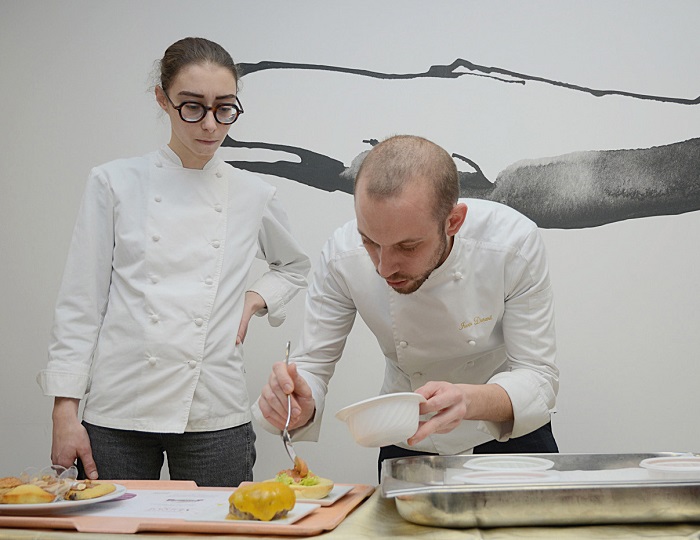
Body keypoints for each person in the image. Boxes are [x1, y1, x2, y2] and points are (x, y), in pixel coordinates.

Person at [37, 37, 310, 487]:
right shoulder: (113, 183)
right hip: (120, 406)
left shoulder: (253, 194)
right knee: (114, 531)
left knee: (219, 533)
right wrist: (64, 413)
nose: (210, 125)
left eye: (224, 108)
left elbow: (294, 267)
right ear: (162, 99)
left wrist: (255, 298)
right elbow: (80, 305)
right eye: (192, 106)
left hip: (213, 410)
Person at [253, 134, 558, 478]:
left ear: (453, 221)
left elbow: (538, 377)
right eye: (370, 242)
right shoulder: (341, 256)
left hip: (507, 435)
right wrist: (297, 401)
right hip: (407, 438)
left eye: (408, 247)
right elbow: (312, 364)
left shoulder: (512, 244)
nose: (384, 267)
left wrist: (468, 400)